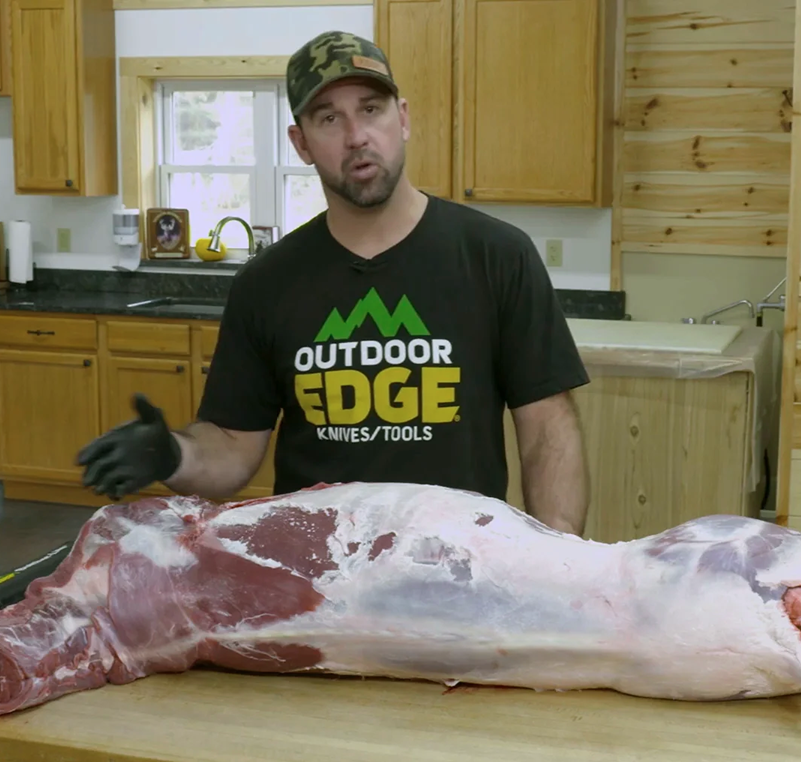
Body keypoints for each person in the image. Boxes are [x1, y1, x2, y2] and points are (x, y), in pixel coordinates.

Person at [75, 31, 592, 535]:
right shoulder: (267, 282)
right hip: (317, 577)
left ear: (403, 119)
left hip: (460, 573)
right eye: (329, 118)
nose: (357, 136)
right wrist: (171, 453)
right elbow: (233, 448)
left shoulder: (497, 257)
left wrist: (562, 559)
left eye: (371, 109)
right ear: (300, 143)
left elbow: (547, 427)